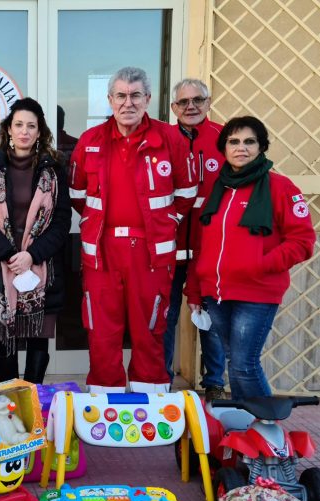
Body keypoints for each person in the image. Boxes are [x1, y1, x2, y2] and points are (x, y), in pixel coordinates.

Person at [69, 67, 197, 393]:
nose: (129, 102)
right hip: (102, 252)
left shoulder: (171, 140)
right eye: (122, 95)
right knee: (102, 332)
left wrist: (165, 225)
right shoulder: (90, 141)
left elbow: (186, 193)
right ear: (110, 100)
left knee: (150, 330)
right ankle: (103, 404)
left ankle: (149, 405)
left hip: (151, 253)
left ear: (148, 99)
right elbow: (78, 196)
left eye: (136, 95)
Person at [184, 116, 316, 400]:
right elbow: (201, 246)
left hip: (256, 293)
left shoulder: (281, 188)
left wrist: (260, 265)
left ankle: (267, 427)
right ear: (224, 147)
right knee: (236, 362)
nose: (240, 148)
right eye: (233, 141)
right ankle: (248, 426)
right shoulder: (217, 191)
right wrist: (194, 290)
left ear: (261, 147)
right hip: (216, 294)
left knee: (244, 364)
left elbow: (302, 242)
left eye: (249, 141)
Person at [0, 97, 72, 384]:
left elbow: (62, 221)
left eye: (31, 125)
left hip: (41, 268)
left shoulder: (54, 169)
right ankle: (10, 406)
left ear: (40, 132)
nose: (24, 131)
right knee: (5, 343)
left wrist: (32, 255)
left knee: (39, 342)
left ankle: (35, 405)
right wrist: (7, 253)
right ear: (9, 129)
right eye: (19, 125)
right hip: (0, 268)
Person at [165, 78, 227, 402]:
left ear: (208, 102)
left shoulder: (224, 139)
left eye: (197, 100)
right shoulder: (163, 139)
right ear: (174, 107)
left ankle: (214, 384)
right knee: (166, 316)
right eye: (183, 101)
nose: (191, 106)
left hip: (210, 249)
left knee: (212, 320)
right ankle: (160, 383)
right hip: (170, 248)